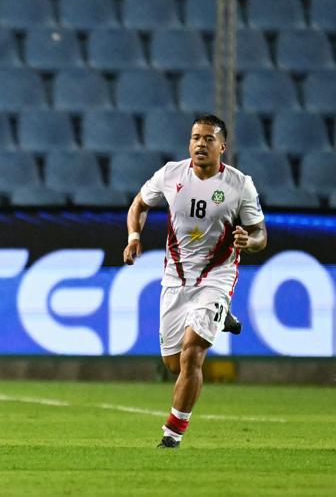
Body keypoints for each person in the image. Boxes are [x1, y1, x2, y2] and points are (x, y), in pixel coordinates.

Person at [122, 114, 267, 448]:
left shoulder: (239, 184)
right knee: (174, 364)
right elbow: (139, 204)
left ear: (222, 146)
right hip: (175, 279)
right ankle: (223, 316)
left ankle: (172, 435)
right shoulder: (171, 174)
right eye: (196, 137)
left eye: (208, 139)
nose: (201, 144)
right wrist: (133, 237)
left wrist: (250, 241)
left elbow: (261, 234)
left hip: (217, 276)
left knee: (192, 356)